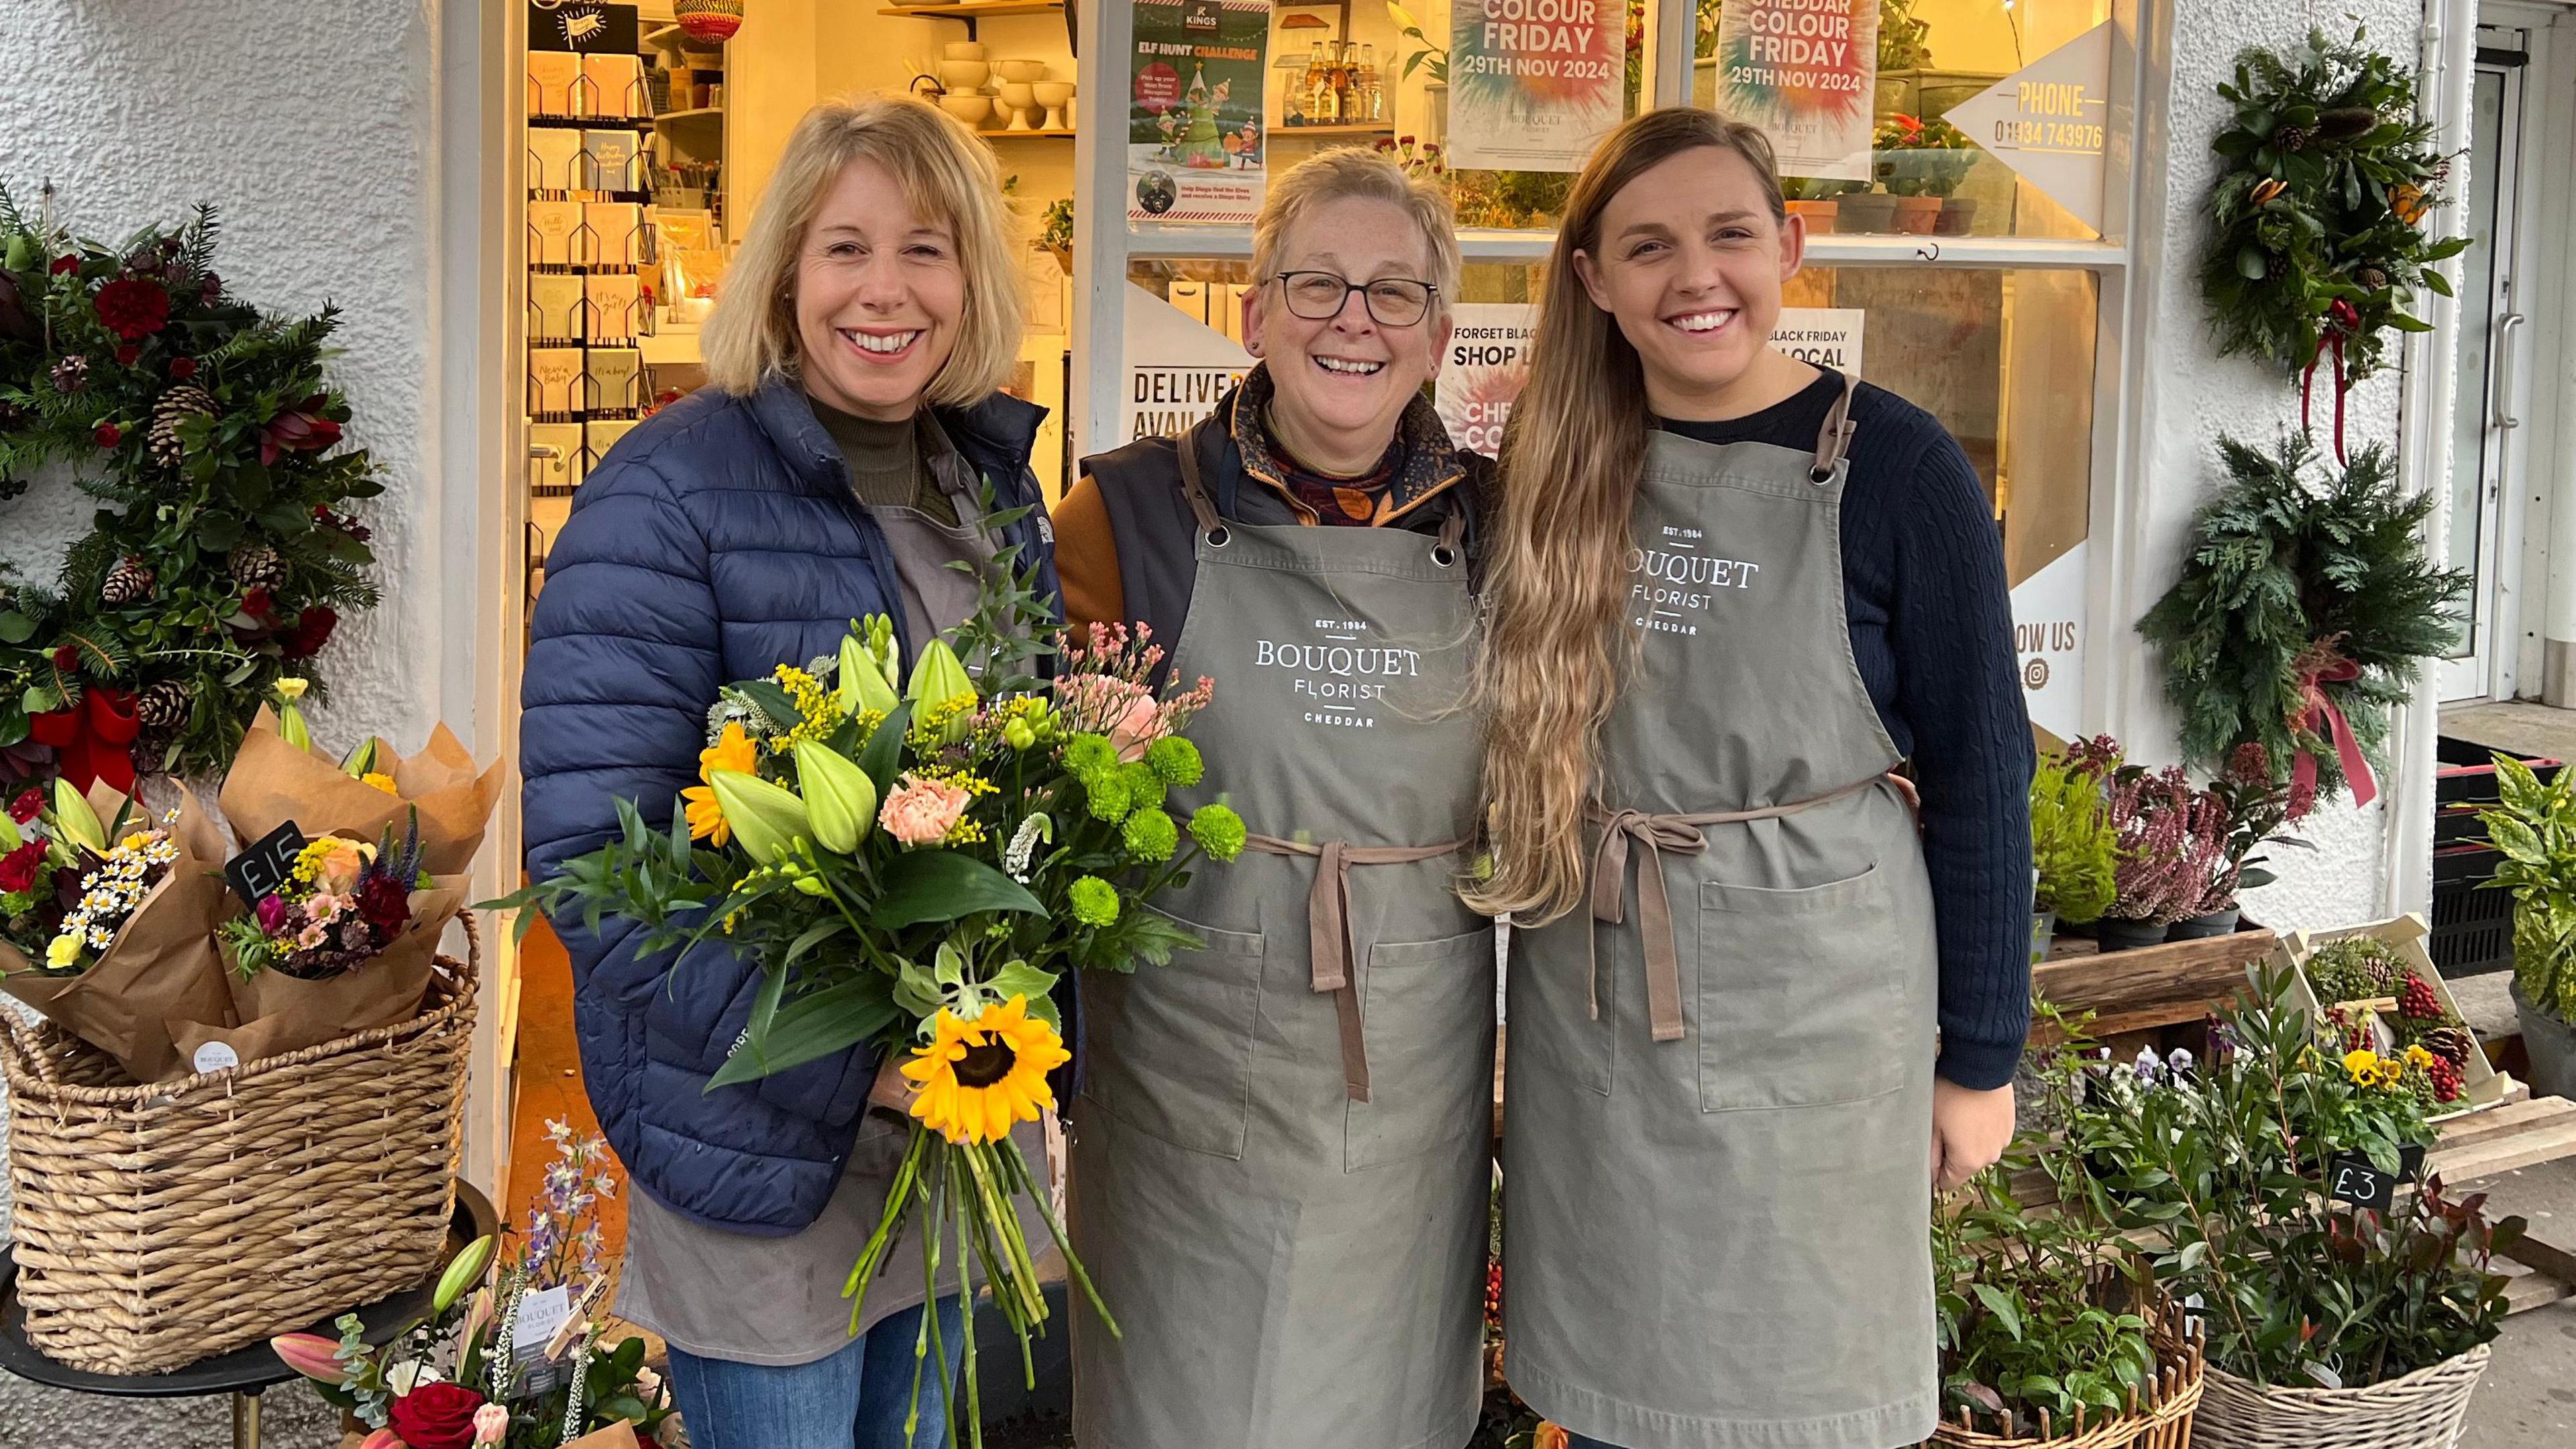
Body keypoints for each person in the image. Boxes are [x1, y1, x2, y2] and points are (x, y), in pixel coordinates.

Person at [1468, 108, 2031, 1449]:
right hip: (1596, 1009)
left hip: (1819, 1009)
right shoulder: (1544, 468)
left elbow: (1982, 775)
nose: (1694, 277)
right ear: (1594, 279)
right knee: (1615, 1396)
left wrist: (1983, 1061)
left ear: (1790, 246)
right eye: (1647, 246)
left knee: (1807, 1392)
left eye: (1729, 234)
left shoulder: (1899, 469)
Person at [519, 95, 1055, 1449]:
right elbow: (598, 866)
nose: (887, 292)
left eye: (926, 250)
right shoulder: (665, 494)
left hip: (947, 1133)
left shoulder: (988, 485)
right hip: (755, 1140)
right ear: (786, 276)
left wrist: (1013, 1031)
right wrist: (843, 1061)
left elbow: (1031, 803)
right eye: (845, 250)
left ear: (971, 278)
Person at [1052, 147, 1499, 1449]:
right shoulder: (1121, 515)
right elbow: (1037, 795)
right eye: (1315, 283)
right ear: (1251, 310)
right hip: (1188, 1083)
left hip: (1414, 1079)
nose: (1352, 319)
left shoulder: (1495, 530)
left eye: (1392, 293)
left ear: (1437, 337)